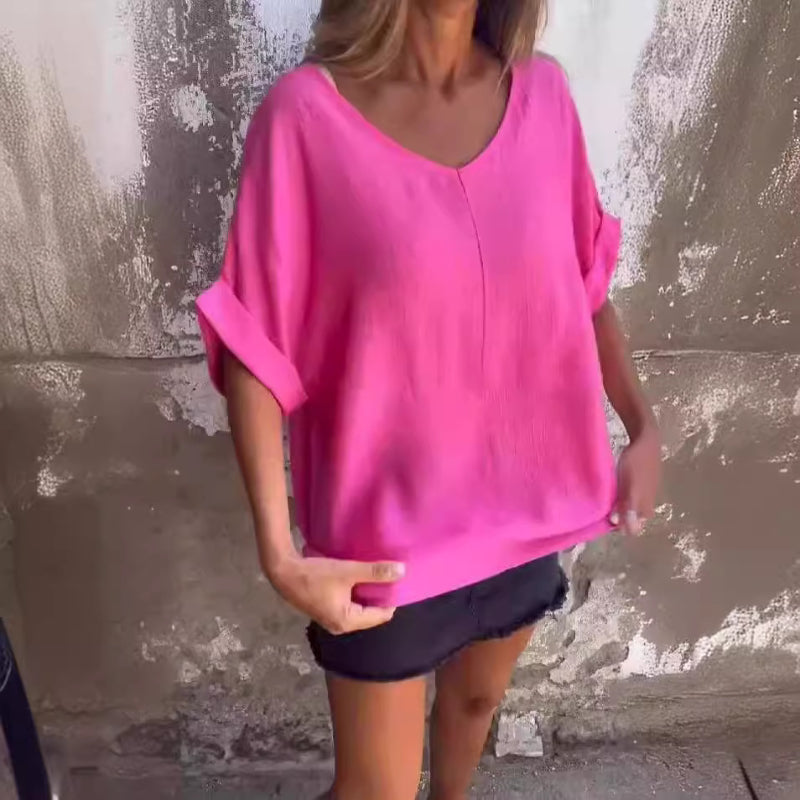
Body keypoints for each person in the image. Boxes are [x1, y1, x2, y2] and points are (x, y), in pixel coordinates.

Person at [196, 0, 662, 797]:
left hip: (529, 515)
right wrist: (280, 553)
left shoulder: (545, 99)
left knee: (476, 705)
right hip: (384, 540)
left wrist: (643, 426)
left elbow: (583, 286)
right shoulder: (305, 118)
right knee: (374, 791)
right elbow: (254, 343)